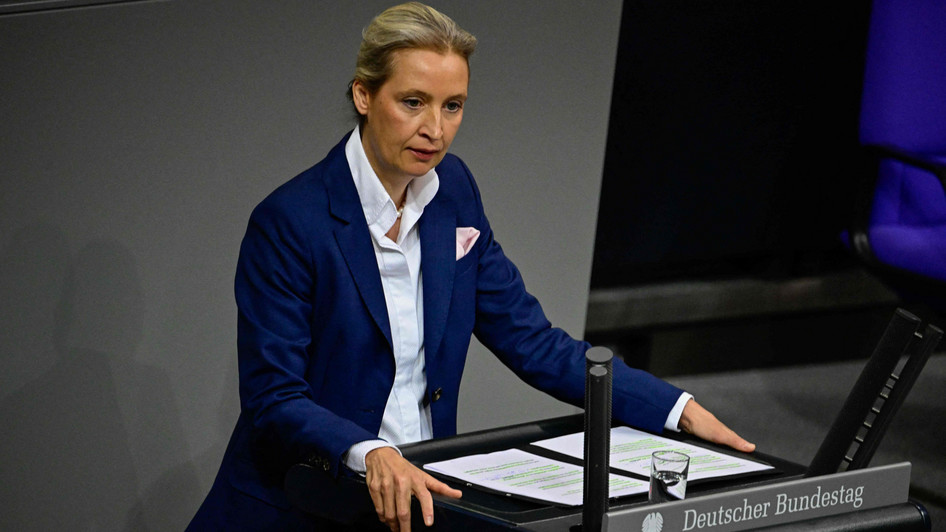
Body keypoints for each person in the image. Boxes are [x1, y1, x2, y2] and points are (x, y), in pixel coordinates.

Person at [188, 3, 755, 531]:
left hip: (420, 502)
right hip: (301, 506)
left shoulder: (453, 191)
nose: (435, 128)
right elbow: (275, 397)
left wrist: (674, 409)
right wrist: (371, 452)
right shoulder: (290, 221)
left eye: (452, 106)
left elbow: (532, 341)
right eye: (413, 102)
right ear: (364, 95)